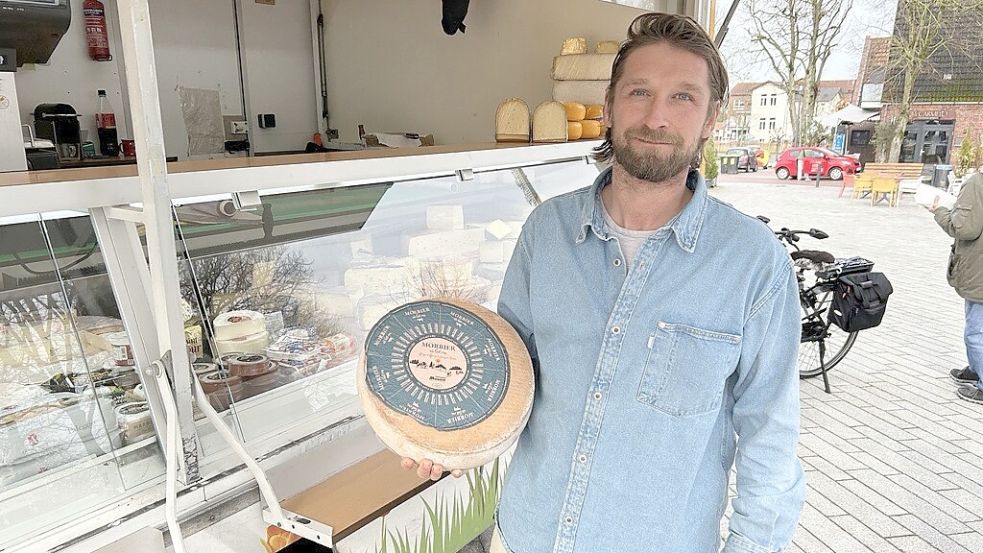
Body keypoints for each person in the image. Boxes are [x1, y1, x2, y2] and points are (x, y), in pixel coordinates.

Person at [404, 12, 805, 552]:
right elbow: (504, 379)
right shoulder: (546, 233)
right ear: (610, 108)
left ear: (711, 118)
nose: (656, 117)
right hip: (529, 536)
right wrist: (443, 432)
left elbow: (770, 439)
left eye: (683, 97)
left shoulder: (753, 265)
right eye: (640, 91)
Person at [930, 171, 983, 404]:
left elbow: (964, 229)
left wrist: (940, 211)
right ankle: (975, 368)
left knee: (975, 332)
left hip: (979, 267)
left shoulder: (977, 182)